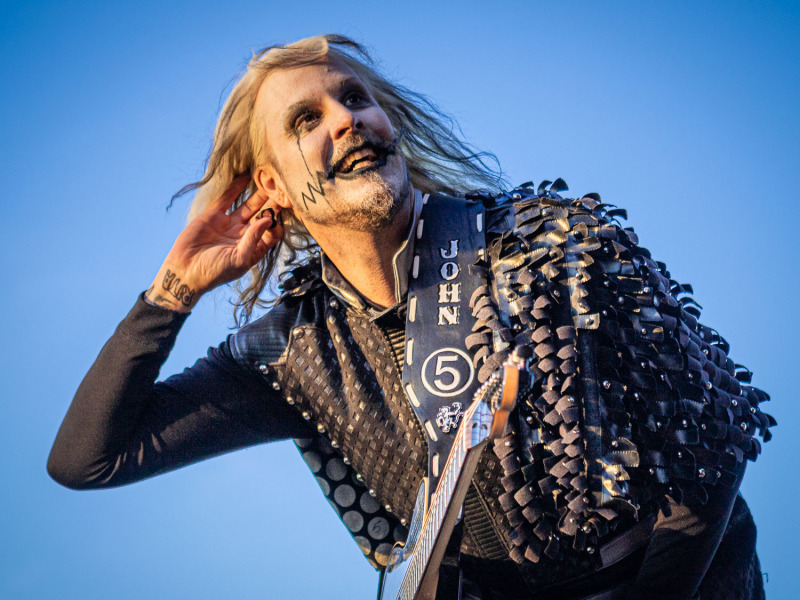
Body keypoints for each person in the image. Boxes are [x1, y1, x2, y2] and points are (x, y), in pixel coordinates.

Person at [47, 35, 773, 599]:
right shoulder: (289, 356)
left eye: (356, 99)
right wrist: (174, 288)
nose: (347, 120)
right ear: (272, 186)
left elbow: (709, 449)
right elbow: (87, 459)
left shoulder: (556, 240)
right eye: (308, 119)